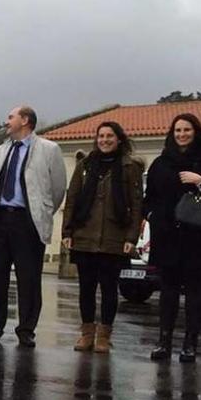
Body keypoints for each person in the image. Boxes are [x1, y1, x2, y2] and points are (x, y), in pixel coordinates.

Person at [0, 106, 67, 347]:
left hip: (28, 221)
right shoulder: (0, 151)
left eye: (11, 117)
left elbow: (57, 189)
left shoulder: (49, 149)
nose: (6, 121)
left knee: (29, 278)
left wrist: (41, 211)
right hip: (0, 219)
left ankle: (26, 330)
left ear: (25, 120)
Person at [144, 113, 201, 362]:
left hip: (198, 237)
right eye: (178, 130)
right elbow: (149, 198)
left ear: (196, 131)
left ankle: (190, 344)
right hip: (167, 235)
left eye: (186, 130)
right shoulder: (161, 162)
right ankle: (164, 342)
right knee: (167, 290)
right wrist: (151, 215)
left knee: (195, 291)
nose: (182, 135)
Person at [61, 122, 143, 353]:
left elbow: (137, 205)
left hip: (114, 238)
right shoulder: (85, 165)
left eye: (110, 136)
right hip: (84, 235)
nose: (105, 140)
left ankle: (104, 336)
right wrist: (67, 231)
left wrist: (131, 237)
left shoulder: (130, 167)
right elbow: (72, 199)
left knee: (109, 288)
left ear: (119, 139)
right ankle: (87, 334)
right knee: (86, 288)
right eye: (101, 136)